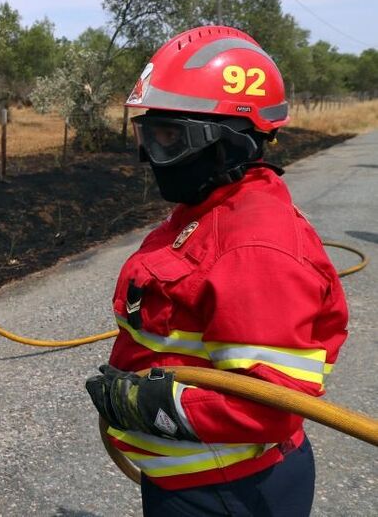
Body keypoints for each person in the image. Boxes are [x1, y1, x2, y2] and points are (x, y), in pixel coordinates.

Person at [84, 26, 348, 516]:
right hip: (197, 480)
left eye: (170, 139)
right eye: (149, 135)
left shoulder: (253, 250)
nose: (152, 158)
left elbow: (270, 402)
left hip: (227, 492)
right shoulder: (205, 210)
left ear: (230, 143)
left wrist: (148, 406)